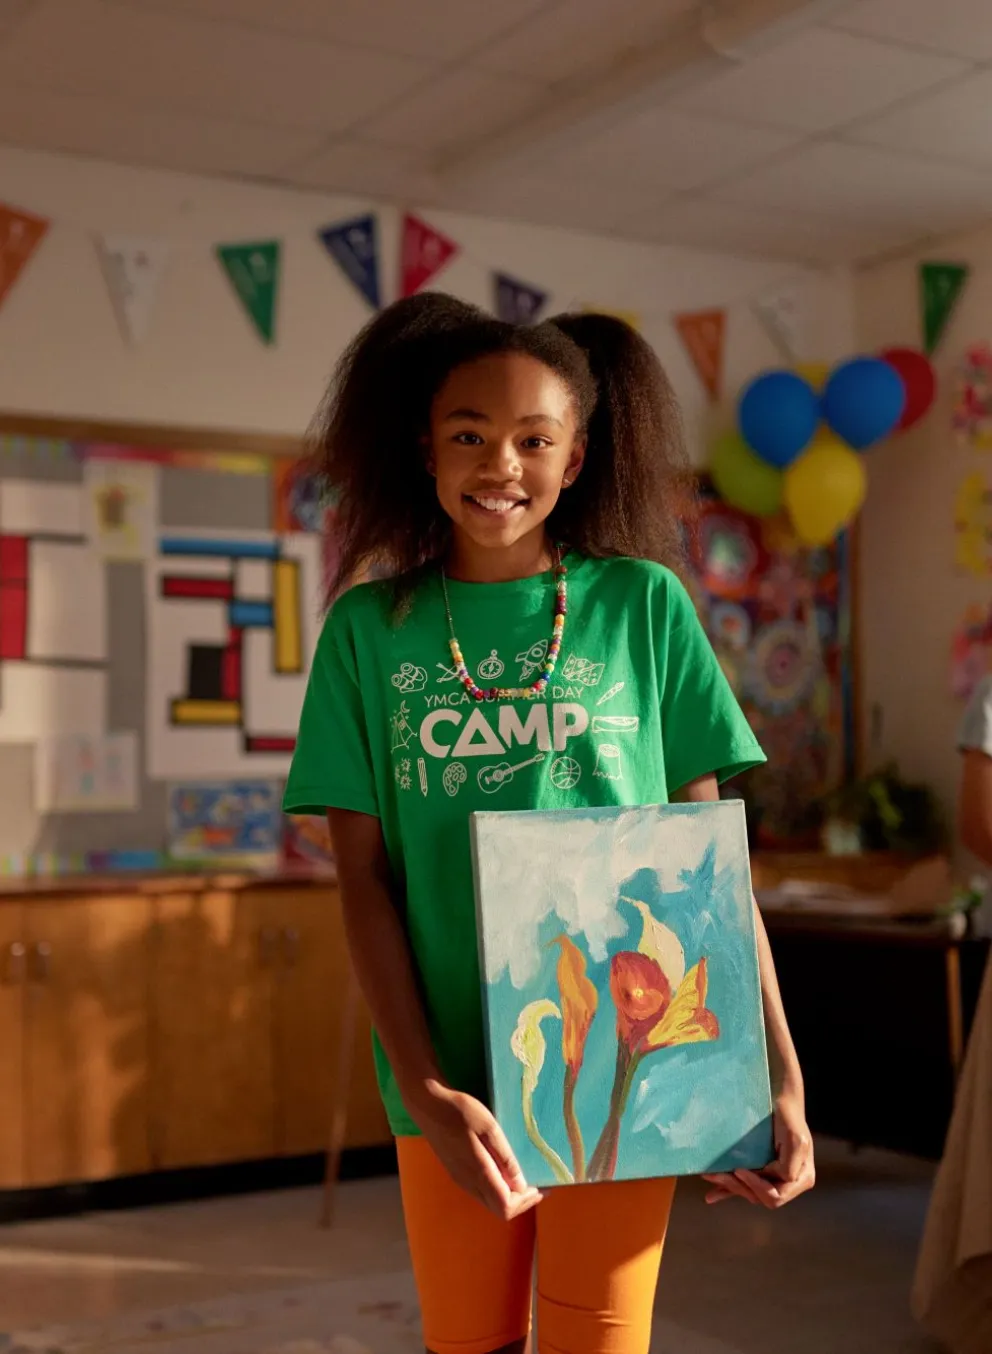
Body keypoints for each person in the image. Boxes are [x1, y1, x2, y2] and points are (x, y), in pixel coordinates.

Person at [284, 293, 815, 1354]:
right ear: (425, 450)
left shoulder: (645, 607)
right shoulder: (368, 631)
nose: (501, 464)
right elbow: (363, 881)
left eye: (534, 439)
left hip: (626, 1066)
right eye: (468, 435)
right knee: (468, 1344)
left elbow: (709, 873)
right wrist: (426, 1089)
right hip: (453, 1086)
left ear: (574, 460)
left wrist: (780, 1075)